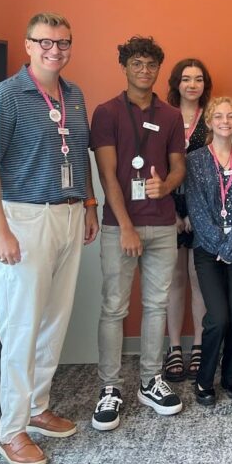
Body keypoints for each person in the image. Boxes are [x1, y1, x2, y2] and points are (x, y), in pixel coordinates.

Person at [0, 12, 99, 464]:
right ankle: (11, 431)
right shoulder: (4, 97)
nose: (55, 50)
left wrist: (88, 204)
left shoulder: (74, 94)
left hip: (67, 215)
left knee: (53, 319)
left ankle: (38, 408)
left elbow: (79, 155)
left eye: (63, 42)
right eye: (45, 42)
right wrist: (0, 230)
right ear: (28, 45)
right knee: (22, 325)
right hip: (24, 219)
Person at [89, 36, 186, 432]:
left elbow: (178, 165)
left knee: (157, 305)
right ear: (124, 66)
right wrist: (126, 225)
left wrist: (168, 185)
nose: (144, 71)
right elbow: (107, 173)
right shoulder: (107, 112)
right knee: (114, 307)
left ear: (159, 69)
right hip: (120, 227)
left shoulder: (171, 114)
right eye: (137, 64)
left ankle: (150, 380)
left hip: (162, 224)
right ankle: (110, 387)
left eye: (151, 65)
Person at [185, 97, 232, 405]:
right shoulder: (196, 160)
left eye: (231, 116)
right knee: (218, 318)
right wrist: (218, 245)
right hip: (207, 250)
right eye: (219, 116)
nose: (225, 121)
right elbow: (196, 209)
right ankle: (204, 379)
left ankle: (230, 376)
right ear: (209, 122)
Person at [163, 58, 211, 383]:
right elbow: (154, 166)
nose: (192, 85)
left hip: (201, 207)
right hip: (167, 205)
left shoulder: (212, 120)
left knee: (198, 278)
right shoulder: (163, 118)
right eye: (186, 79)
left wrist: (193, 211)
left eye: (198, 79)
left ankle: (199, 345)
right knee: (173, 279)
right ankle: (174, 348)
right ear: (176, 84)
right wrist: (173, 211)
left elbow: (213, 173)